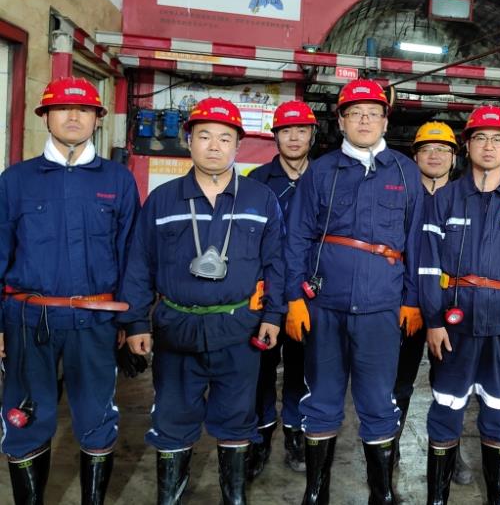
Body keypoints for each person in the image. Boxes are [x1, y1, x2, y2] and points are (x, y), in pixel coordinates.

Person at [118, 98, 286, 505]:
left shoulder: (260, 199)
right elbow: (139, 263)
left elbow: (277, 262)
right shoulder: (163, 200)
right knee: (173, 417)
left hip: (239, 328)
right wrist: (137, 322)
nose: (214, 146)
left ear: (238, 146)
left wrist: (274, 314)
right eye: (205, 136)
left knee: (237, 419)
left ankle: (235, 497)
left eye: (225, 138)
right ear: (188, 141)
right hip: (177, 327)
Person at [0, 77, 140, 505]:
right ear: (46, 117)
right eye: (62, 108)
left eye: (84, 110)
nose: (73, 116)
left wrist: (132, 321)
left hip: (95, 321)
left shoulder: (118, 180)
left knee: (97, 417)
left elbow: (132, 255)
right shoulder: (15, 180)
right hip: (28, 320)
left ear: (98, 119)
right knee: (26, 417)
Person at [285, 79, 424, 504]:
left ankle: (381, 493)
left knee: (379, 401)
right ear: (341, 122)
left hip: (382, 308)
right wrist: (293, 298)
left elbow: (417, 242)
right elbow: (297, 237)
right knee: (322, 399)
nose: (365, 120)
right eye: (355, 113)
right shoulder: (321, 172)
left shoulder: (405, 172)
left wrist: (413, 300)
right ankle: (316, 493)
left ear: (385, 121)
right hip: (325, 306)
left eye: (373, 113)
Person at [419, 105, 500, 505]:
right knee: (446, 407)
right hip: (453, 325)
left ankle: (498, 498)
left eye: (498, 139)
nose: (489, 146)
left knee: (499, 408)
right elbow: (428, 267)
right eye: (480, 137)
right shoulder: (445, 199)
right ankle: (437, 498)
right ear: (467, 146)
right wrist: (433, 320)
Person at [391, 121, 474, 485]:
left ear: (455, 157)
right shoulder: (401, 195)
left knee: (451, 382)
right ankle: (390, 446)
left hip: (449, 305)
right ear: (415, 156)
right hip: (405, 303)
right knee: (399, 381)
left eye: (443, 150)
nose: (435, 155)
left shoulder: (466, 199)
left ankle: (450, 453)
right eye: (426, 149)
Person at [246, 100, 318, 479]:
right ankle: (260, 438)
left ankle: (294, 434)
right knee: (261, 370)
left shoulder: (325, 179)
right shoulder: (256, 181)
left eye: (301, 130)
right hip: (265, 295)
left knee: (301, 370)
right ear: (275, 136)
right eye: (286, 131)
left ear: (312, 135)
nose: (293, 138)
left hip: (309, 296)